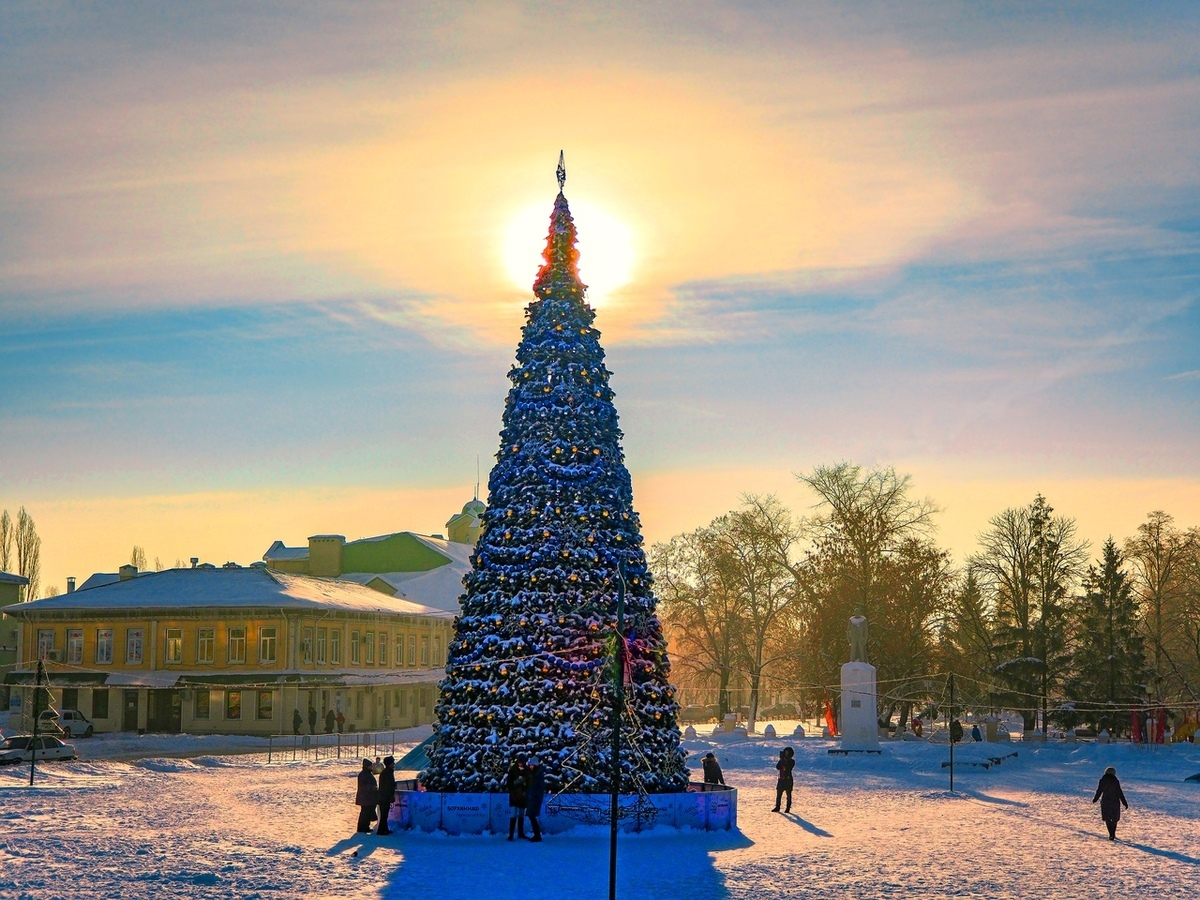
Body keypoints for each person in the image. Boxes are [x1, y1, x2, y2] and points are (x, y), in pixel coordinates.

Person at [1092, 766, 1129, 840]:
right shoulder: (1115, 781)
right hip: (1115, 801)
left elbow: (1099, 790)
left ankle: (1111, 834)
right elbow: (1119, 792)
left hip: (1106, 801)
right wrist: (1124, 802)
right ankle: (1113, 833)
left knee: (1107, 817)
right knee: (1115, 818)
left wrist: (1095, 799)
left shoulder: (1103, 780)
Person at [506, 755, 529, 841]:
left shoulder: (526, 770)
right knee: (514, 813)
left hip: (522, 795)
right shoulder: (513, 770)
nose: (520, 764)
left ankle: (520, 833)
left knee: (521, 814)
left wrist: (524, 788)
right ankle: (511, 834)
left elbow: (529, 782)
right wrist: (515, 786)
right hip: (515, 795)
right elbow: (509, 783)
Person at [524, 756, 545, 842]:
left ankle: (537, 835)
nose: (530, 766)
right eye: (530, 765)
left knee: (532, 816)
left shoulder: (537, 774)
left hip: (534, 798)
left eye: (532, 765)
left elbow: (538, 787)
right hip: (532, 797)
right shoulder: (534, 773)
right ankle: (537, 834)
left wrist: (533, 795)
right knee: (531, 816)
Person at [355, 758, 377, 833]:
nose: (372, 767)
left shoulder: (366, 773)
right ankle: (362, 827)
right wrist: (372, 788)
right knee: (365, 813)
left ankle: (365, 827)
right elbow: (363, 786)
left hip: (367, 797)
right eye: (370, 766)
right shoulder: (364, 774)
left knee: (366, 812)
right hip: (365, 797)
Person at [376, 756, 396, 836]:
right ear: (389, 764)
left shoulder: (387, 772)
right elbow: (388, 786)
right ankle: (381, 830)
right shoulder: (387, 773)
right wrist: (390, 796)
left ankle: (384, 829)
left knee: (385, 814)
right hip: (384, 797)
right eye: (393, 763)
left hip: (384, 796)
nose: (394, 764)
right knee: (384, 814)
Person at [772, 747, 794, 813]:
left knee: (788, 795)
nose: (786, 754)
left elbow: (788, 768)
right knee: (779, 794)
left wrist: (784, 762)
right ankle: (777, 807)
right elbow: (777, 767)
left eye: (787, 753)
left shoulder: (792, 761)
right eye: (785, 753)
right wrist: (781, 760)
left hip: (788, 779)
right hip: (781, 779)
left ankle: (788, 808)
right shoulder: (781, 760)